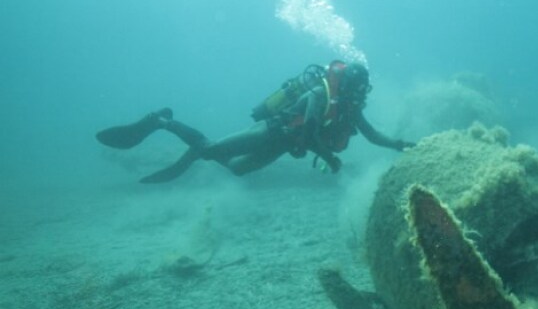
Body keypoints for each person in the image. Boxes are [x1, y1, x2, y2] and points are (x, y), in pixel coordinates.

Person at [96, 60, 415, 183]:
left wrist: (400, 145)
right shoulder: (320, 95)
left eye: (363, 89)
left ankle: (199, 150)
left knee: (236, 168)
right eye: (356, 88)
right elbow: (311, 130)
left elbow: (372, 135)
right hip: (271, 132)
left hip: (283, 146)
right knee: (211, 149)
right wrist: (330, 158)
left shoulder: (348, 106)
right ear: (346, 84)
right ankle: (162, 122)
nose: (361, 94)